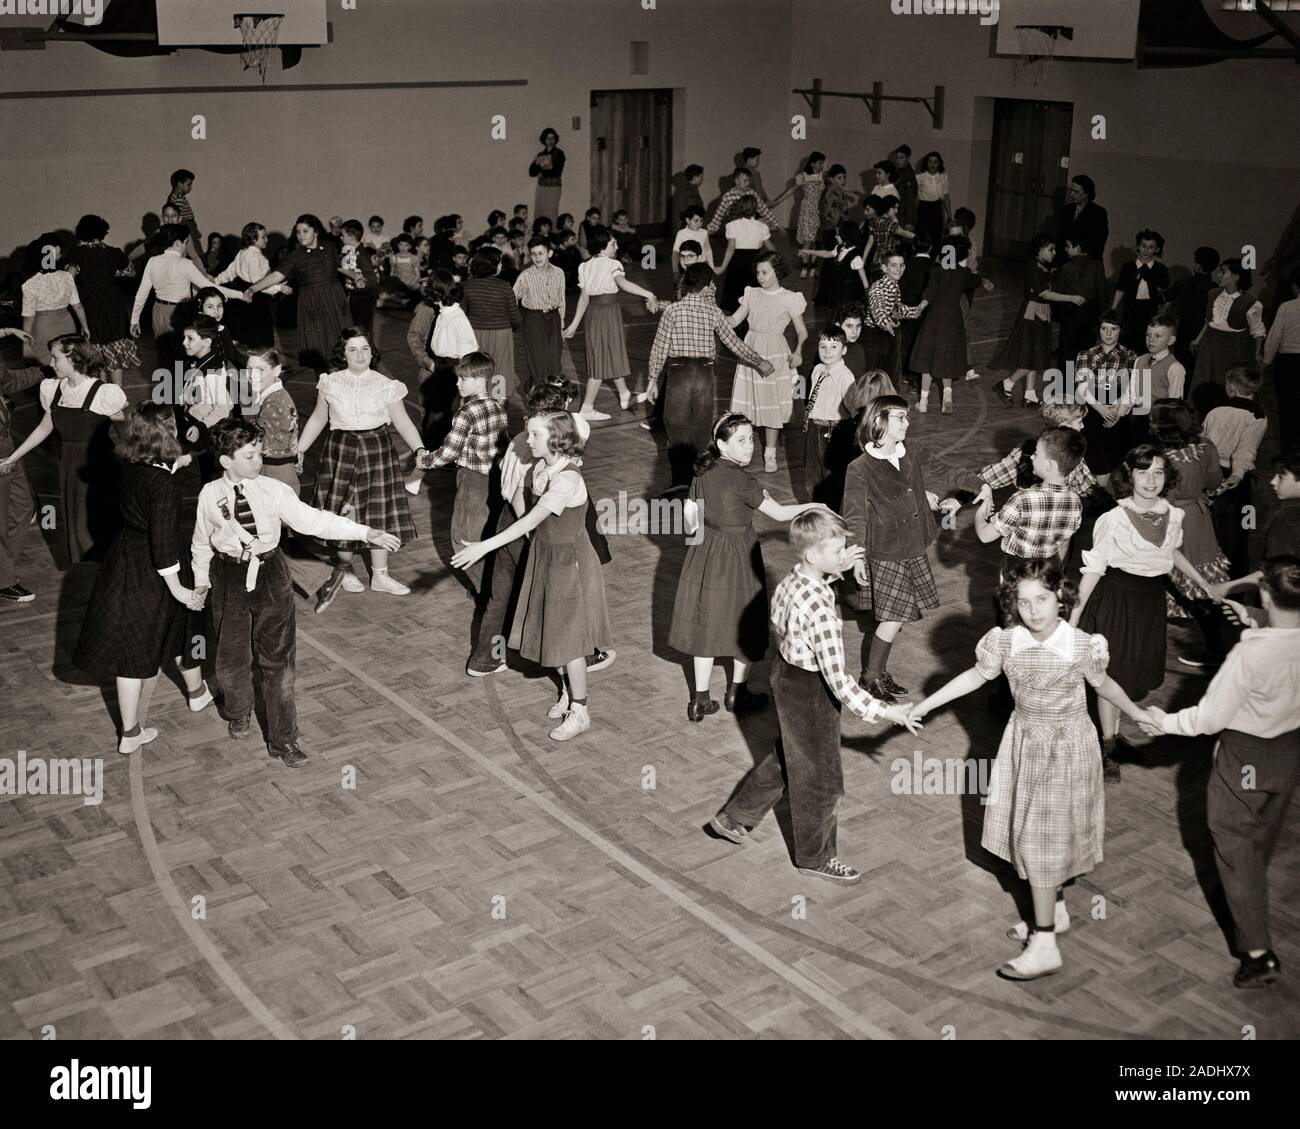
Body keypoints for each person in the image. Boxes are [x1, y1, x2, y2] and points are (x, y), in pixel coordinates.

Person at [910, 559, 1152, 980]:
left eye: (1043, 599)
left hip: (1068, 749)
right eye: (1024, 602)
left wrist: (1136, 714)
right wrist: (926, 704)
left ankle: (1044, 945)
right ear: (1012, 604)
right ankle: (1053, 913)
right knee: (1033, 834)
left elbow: (1105, 686)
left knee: (1042, 840)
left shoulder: (1081, 645)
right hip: (1024, 742)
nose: (1034, 610)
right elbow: (974, 676)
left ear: (1061, 598)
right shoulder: (1005, 643)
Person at [708, 509, 920, 884]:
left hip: (786, 676)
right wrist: (889, 713)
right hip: (812, 691)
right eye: (838, 549)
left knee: (790, 756)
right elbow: (838, 681)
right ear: (812, 555)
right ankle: (815, 856)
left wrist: (839, 570)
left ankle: (734, 819)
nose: (846, 553)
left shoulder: (793, 580)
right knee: (821, 780)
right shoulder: (821, 611)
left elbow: (781, 620)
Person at [193, 418, 400, 767]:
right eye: (249, 456)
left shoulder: (274, 491)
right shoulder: (210, 496)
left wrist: (365, 533)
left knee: (279, 664)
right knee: (230, 658)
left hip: (271, 575)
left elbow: (314, 520)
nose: (258, 462)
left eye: (259, 453)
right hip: (228, 576)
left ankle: (283, 739)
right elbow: (201, 543)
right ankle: (239, 709)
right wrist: (202, 582)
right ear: (226, 461)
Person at [1141, 555, 1300, 989]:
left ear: (1265, 591)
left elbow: (1209, 719)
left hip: (1244, 759)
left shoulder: (1249, 655)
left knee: (1235, 846)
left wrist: (1163, 722)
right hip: (1287, 756)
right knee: (1262, 835)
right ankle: (1252, 894)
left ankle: (1257, 953)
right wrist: (1253, 618)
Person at [451, 410, 612, 742]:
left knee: (570, 642)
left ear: (555, 438)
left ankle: (580, 709)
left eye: (535, 435)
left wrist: (483, 547)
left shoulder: (568, 479)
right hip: (545, 556)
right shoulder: (541, 468)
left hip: (570, 562)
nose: (528, 440)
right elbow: (526, 514)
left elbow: (530, 521)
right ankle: (568, 691)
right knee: (549, 632)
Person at [1072, 444, 1220, 781]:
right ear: (1129, 476)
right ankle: (1108, 745)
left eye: (1158, 472)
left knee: (1133, 672)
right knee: (1112, 673)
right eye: (1143, 472)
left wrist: (1202, 582)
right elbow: (1094, 569)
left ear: (1168, 476)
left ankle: (1114, 733)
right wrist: (1074, 617)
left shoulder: (1175, 514)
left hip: (1149, 604)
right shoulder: (1114, 519)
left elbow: (1173, 551)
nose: (1151, 480)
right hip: (1117, 601)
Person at [72, 403, 211, 754]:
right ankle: (132, 733)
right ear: (169, 433)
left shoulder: (130, 466)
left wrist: (185, 460)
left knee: (145, 638)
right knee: (169, 632)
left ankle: (192, 696)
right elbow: (163, 543)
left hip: (126, 558)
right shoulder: (164, 486)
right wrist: (178, 588)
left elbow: (163, 468)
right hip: (159, 565)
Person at [667, 412, 824, 721]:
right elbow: (778, 514)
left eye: (751, 438)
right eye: (741, 440)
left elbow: (690, 518)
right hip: (739, 554)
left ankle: (700, 700)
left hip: (706, 552)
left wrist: (704, 544)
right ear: (722, 444)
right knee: (746, 624)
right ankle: (737, 695)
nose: (749, 446)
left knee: (707, 624)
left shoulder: (702, 471)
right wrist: (814, 506)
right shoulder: (743, 480)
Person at [841, 396, 962, 702]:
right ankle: (870, 677)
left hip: (911, 546)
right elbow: (854, 515)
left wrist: (979, 483)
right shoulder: (859, 468)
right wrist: (856, 555)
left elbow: (943, 471)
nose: (907, 423)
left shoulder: (911, 451)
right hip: (885, 551)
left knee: (894, 618)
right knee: (893, 617)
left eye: (906, 418)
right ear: (879, 422)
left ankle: (877, 672)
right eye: (900, 418)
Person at [297, 327, 423, 610]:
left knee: (378, 510)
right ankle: (346, 570)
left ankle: (380, 575)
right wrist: (301, 448)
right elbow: (319, 418)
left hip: (377, 449)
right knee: (345, 509)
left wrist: (419, 449)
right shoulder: (329, 383)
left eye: (365, 348)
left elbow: (403, 422)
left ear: (372, 351)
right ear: (343, 354)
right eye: (352, 349)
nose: (360, 355)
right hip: (341, 449)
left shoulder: (386, 385)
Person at [0, 335, 127, 563]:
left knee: (99, 527)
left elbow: (125, 436)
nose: (51, 364)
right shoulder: (53, 389)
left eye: (56, 358)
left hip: (99, 468)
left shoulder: (104, 392)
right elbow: (43, 429)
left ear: (74, 359)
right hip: (68, 466)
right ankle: (88, 577)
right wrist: (13, 457)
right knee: (76, 529)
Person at [645, 264, 772, 489]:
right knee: (701, 427)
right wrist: (759, 361)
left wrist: (652, 380)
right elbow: (734, 343)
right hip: (703, 372)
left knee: (675, 426)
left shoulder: (672, 311)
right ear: (705, 289)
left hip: (679, 371)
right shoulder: (713, 312)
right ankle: (698, 479)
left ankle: (679, 482)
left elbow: (659, 348)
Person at [411, 353, 508, 595]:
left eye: (463, 379)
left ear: (478, 379)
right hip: (494, 480)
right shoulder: (498, 406)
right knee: (486, 531)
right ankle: (492, 583)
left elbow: (449, 452)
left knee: (462, 538)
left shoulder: (466, 412)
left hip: (473, 481)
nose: (458, 384)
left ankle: (487, 590)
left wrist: (425, 461)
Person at [1148, 398, 1232, 668]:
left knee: (1155, 579)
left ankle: (1145, 647)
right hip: (1197, 519)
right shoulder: (1206, 446)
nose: (1149, 422)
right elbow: (1214, 480)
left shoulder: (1158, 457)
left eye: (1154, 419)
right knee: (1200, 581)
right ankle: (1215, 646)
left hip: (1165, 519)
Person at [563, 227, 658, 420]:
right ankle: (587, 408)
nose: (616, 245)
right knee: (601, 360)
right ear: (603, 246)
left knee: (610, 354)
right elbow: (622, 284)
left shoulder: (585, 266)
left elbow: (584, 298)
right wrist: (648, 293)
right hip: (606, 314)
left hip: (595, 315)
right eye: (613, 242)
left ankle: (624, 396)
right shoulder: (612, 264)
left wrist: (574, 325)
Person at [727, 251, 807, 474]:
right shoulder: (751, 293)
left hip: (775, 352)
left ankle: (769, 453)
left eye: (764, 272)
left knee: (772, 402)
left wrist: (799, 351)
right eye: (758, 272)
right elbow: (734, 319)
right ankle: (744, 451)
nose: (760, 277)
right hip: (750, 349)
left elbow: (802, 331)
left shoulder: (789, 297)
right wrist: (713, 317)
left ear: (777, 271)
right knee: (747, 403)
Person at [973, 427, 1085, 579]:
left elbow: (985, 536)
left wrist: (980, 514)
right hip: (1050, 570)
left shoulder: (1022, 500)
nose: (1032, 457)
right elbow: (1063, 544)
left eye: (1037, 454)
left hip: (1018, 571)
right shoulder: (1075, 502)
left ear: (1049, 465)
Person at [244, 214, 351, 373]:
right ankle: (323, 389)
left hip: (335, 299)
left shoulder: (330, 246)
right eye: (298, 231)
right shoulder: (295, 256)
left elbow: (341, 266)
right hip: (313, 303)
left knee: (342, 347)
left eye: (305, 231)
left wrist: (358, 277)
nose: (301, 235)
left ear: (316, 231)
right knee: (320, 350)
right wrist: (253, 288)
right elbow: (276, 276)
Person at [993, 235, 1086, 407]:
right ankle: (1007, 384)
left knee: (1036, 353)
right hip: (1032, 315)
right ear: (1039, 250)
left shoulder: (1043, 268)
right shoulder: (1033, 269)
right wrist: (1071, 298)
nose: (1054, 253)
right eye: (1051, 249)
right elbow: (1044, 293)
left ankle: (1030, 395)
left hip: (1042, 314)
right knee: (1033, 355)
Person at [130, 223, 235, 371]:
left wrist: (134, 320)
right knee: (182, 358)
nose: (187, 247)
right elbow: (209, 287)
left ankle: (171, 391)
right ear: (178, 243)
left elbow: (141, 294)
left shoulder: (152, 261)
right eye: (186, 243)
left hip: (158, 312)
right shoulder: (184, 263)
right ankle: (182, 391)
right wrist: (241, 295)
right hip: (179, 312)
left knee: (165, 358)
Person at [912, 236, 991, 414]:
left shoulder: (936, 272)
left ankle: (923, 402)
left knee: (928, 360)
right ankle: (947, 396)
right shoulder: (962, 274)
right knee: (946, 358)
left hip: (934, 317)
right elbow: (975, 280)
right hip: (953, 318)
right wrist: (984, 281)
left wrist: (922, 305)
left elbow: (930, 291)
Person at [1204, 366, 1268, 578]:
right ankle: (1236, 585)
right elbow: (1246, 451)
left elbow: (1204, 446)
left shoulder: (1215, 412)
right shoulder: (1258, 417)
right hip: (1240, 482)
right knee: (1241, 532)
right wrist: (1238, 475)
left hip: (1213, 476)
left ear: (1230, 387)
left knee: (1213, 531)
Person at [65, 215, 139, 385]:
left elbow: (69, 278)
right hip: (112, 304)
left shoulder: (76, 254)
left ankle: (100, 394)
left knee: (94, 350)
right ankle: (117, 394)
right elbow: (132, 273)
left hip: (88, 303)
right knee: (114, 347)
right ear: (103, 232)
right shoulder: (114, 253)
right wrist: (116, 273)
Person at [800, 326, 867, 509]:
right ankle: (814, 509)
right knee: (812, 473)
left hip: (833, 430)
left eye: (834, 347)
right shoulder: (817, 370)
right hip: (814, 427)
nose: (827, 352)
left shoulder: (845, 377)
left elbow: (854, 408)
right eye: (823, 347)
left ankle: (832, 511)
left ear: (844, 350)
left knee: (831, 474)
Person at [1188, 258, 1266, 416]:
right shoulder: (1212, 294)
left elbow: (1258, 331)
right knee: (1204, 380)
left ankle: (1229, 417)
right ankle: (1202, 416)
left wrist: (1257, 353)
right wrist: (1198, 339)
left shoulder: (1250, 302)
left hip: (1232, 348)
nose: (1218, 275)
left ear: (1236, 276)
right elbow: (1208, 321)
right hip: (1209, 345)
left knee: (1228, 383)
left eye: (1223, 272)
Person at [0, 329, 43, 604]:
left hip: (8, 447)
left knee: (23, 505)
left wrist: (45, 372)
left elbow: (10, 380)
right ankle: (3, 580)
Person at [1074, 312, 1137, 488]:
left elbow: (1133, 389)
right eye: (1104, 329)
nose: (1108, 334)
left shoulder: (1130, 356)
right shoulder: (1086, 355)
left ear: (1121, 331)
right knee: (1093, 456)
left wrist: (1118, 412)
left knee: (1111, 458)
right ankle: (1091, 492)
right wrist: (1101, 409)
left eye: (1113, 329)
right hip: (1093, 411)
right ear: (1098, 330)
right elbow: (1082, 387)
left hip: (1118, 412)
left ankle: (1100, 494)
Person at [461, 251, 522, 401]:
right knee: (501, 370)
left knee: (477, 370)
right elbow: (515, 316)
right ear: (493, 266)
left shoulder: (466, 286)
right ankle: (498, 412)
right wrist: (513, 328)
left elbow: (461, 315)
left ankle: (478, 404)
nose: (501, 265)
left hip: (475, 335)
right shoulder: (504, 286)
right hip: (501, 334)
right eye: (500, 263)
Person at [214, 222, 284, 348]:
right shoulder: (255, 257)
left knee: (246, 335)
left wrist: (216, 281)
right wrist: (279, 288)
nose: (267, 239)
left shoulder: (242, 252)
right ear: (253, 239)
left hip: (242, 298)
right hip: (255, 301)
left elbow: (230, 272)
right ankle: (262, 363)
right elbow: (258, 283)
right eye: (263, 237)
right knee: (260, 335)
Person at [862, 253, 928, 386]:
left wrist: (915, 311)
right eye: (894, 265)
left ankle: (889, 402)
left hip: (891, 335)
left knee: (891, 376)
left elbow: (896, 309)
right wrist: (885, 322)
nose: (899, 269)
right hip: (876, 337)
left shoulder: (894, 286)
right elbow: (878, 308)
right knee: (873, 379)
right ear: (884, 268)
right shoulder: (878, 287)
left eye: (901, 265)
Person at [21, 235, 86, 366]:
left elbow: (28, 318)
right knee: (66, 364)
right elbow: (77, 306)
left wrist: (25, 344)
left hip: (42, 327)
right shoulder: (67, 277)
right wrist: (85, 326)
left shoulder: (30, 284)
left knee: (45, 365)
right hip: (67, 324)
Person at [242, 345, 299, 493]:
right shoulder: (273, 395)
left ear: (276, 371)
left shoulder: (275, 402)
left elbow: (261, 444)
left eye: (260, 370)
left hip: (275, 474)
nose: (252, 376)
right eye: (249, 369)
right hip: (276, 470)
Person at [513, 237, 566, 396]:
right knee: (537, 362)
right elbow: (512, 297)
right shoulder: (526, 275)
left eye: (541, 253)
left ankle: (552, 398)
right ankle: (536, 400)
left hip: (554, 318)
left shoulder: (559, 272)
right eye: (533, 254)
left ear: (550, 253)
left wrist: (562, 323)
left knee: (554, 362)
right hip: (533, 320)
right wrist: (515, 320)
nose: (537, 257)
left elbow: (562, 299)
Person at [1053, 236, 1109, 374]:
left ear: (1077, 248)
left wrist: (1057, 315)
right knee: (1086, 350)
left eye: (1068, 246)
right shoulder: (1097, 265)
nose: (1065, 250)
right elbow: (1102, 292)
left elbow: (1057, 291)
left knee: (1067, 350)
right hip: (1090, 313)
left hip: (1070, 313)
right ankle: (1082, 385)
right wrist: (1103, 318)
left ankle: (1063, 386)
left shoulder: (1066, 266)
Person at [1112, 229, 1170, 352]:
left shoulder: (1160, 268)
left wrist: (1148, 271)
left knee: (1145, 345)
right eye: (1143, 246)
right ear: (1138, 246)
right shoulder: (1128, 267)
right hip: (1130, 309)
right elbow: (1120, 288)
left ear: (1157, 249)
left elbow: (1164, 285)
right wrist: (1113, 309)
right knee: (1126, 344)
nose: (1146, 250)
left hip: (1149, 311)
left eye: (1150, 247)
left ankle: (1142, 370)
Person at [715, 195, 774, 314]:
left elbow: (731, 248)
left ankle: (737, 327)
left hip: (737, 264)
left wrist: (722, 267)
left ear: (740, 207)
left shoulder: (732, 225)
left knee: (736, 297)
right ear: (755, 209)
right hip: (755, 265)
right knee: (752, 298)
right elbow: (771, 248)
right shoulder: (762, 226)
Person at [1263, 269, 1300, 452]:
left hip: (1288, 361)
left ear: (1295, 287)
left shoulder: (1287, 307)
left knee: (1286, 406)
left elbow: (1275, 336)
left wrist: (1267, 360)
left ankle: (1289, 448)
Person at [1054, 175, 1109, 267]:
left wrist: (1078, 252)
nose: (1071, 194)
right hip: (1064, 263)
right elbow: (1059, 238)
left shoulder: (1098, 213)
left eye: (1076, 192)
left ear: (1086, 194)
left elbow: (1098, 242)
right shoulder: (1066, 210)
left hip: (1086, 264)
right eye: (1071, 190)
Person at [338, 219, 380, 338]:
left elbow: (371, 278)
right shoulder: (350, 252)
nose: (341, 238)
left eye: (343, 235)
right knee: (355, 325)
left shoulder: (361, 255)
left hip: (364, 297)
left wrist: (363, 283)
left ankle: (367, 352)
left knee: (363, 328)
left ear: (351, 237)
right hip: (356, 295)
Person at [706, 168, 779, 235]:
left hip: (751, 231)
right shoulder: (728, 196)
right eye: (745, 181)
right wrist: (710, 230)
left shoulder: (753, 194)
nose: (748, 183)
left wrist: (776, 224)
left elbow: (764, 211)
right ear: (737, 181)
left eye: (749, 180)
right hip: (735, 232)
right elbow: (719, 215)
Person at [914, 151, 951, 249]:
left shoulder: (943, 177)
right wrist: (913, 215)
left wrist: (949, 215)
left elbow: (946, 196)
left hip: (937, 208)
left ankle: (932, 261)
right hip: (923, 208)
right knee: (923, 235)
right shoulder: (919, 177)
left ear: (939, 163)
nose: (933, 164)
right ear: (926, 163)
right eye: (930, 161)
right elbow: (916, 198)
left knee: (937, 236)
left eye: (935, 162)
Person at [165, 168, 201, 250]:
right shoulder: (177, 197)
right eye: (188, 184)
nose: (190, 187)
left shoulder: (179, 196)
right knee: (195, 249)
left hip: (189, 225)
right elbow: (178, 217)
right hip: (186, 225)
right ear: (180, 184)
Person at [669, 164, 705, 236]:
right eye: (701, 176)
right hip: (687, 231)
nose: (702, 178)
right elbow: (687, 213)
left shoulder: (683, 191)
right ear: (695, 178)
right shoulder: (689, 192)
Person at [891, 145, 918, 230]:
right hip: (896, 214)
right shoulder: (898, 173)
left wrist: (909, 221)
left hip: (904, 217)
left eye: (901, 157)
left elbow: (910, 199)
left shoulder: (909, 175)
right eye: (897, 157)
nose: (898, 160)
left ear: (908, 158)